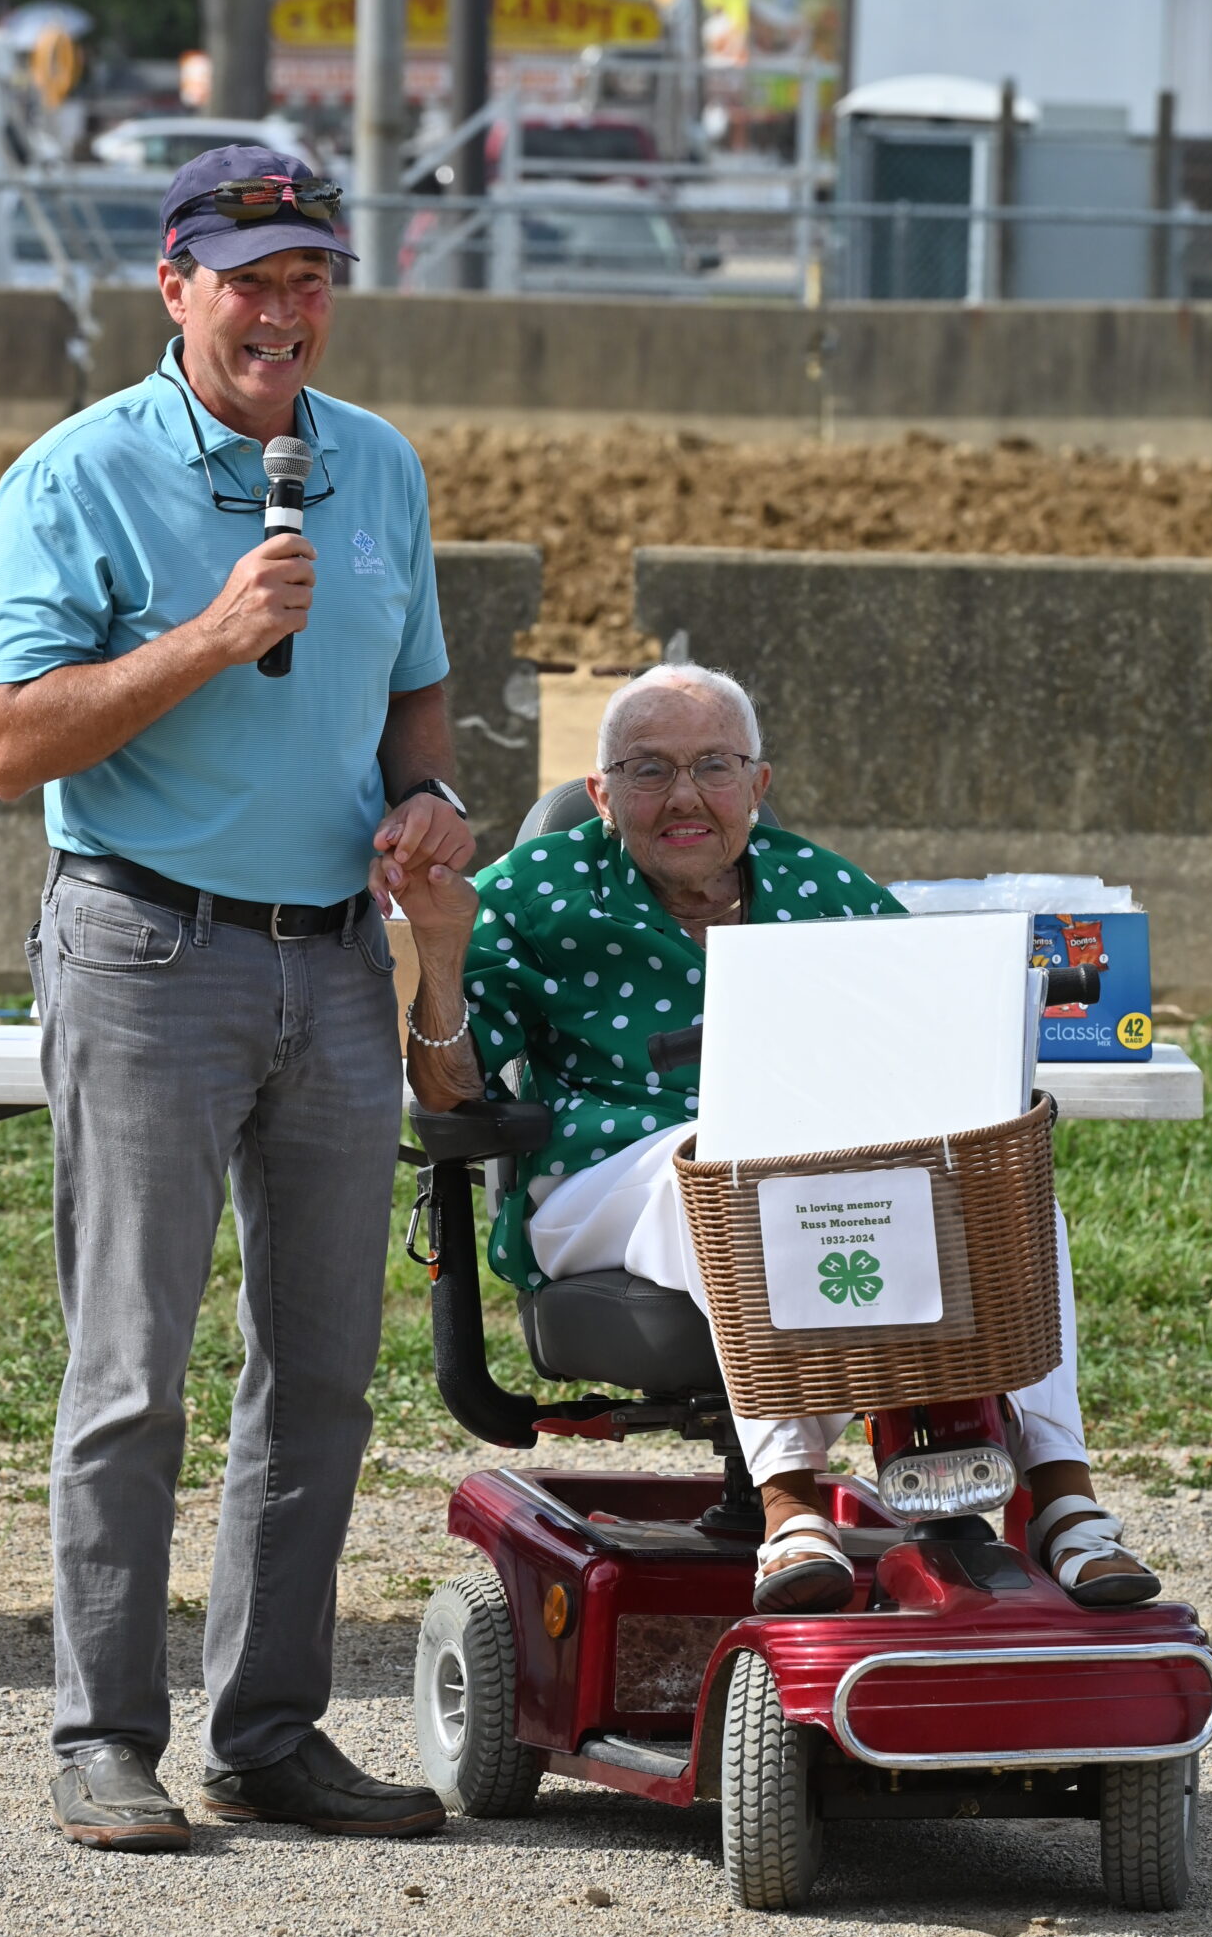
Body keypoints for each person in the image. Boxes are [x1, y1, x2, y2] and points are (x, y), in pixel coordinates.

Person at [0, 147, 466, 1851]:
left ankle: (269, 1733)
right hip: (146, 951)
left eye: (309, 277)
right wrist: (206, 633)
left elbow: (416, 699)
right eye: (248, 278)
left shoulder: (378, 469)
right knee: (131, 1374)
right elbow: (7, 740)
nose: (281, 310)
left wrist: (428, 805)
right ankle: (102, 1741)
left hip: (331, 961)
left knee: (319, 1376)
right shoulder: (73, 478)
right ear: (172, 286)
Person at [402, 663, 1159, 1614]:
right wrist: (436, 948)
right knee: (733, 1177)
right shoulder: (535, 890)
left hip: (809, 1168)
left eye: (713, 766)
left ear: (757, 785)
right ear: (599, 795)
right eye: (647, 771)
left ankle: (1062, 1502)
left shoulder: (818, 884)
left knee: (1005, 1188)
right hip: (605, 1177)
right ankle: (790, 1501)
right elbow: (448, 1087)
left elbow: (927, 1030)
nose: (683, 796)